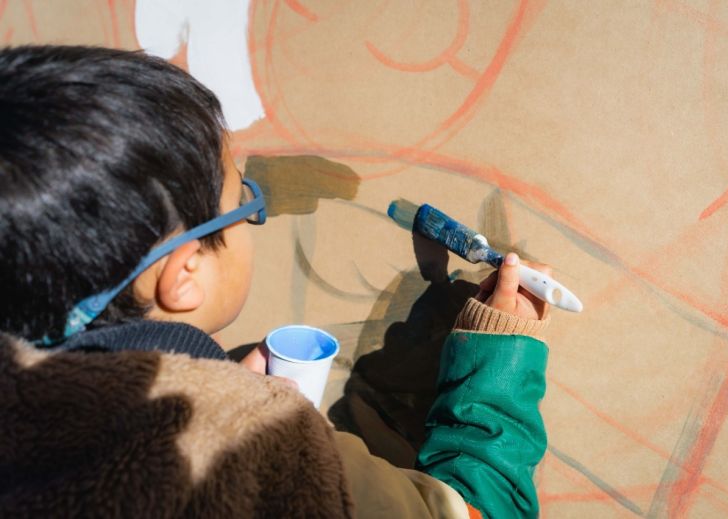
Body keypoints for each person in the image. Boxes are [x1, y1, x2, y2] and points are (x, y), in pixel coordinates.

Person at [0, 45, 550, 518]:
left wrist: (215, 390)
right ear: (184, 272)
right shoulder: (265, 453)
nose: (250, 214)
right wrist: (499, 357)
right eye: (242, 202)